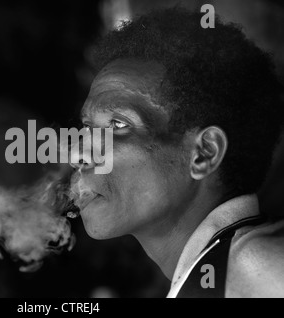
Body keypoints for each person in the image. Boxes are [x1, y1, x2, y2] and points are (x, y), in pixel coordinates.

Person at [69, 7, 284, 297]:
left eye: (118, 124)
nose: (77, 154)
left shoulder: (257, 264)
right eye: (85, 126)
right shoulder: (220, 268)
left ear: (204, 153)